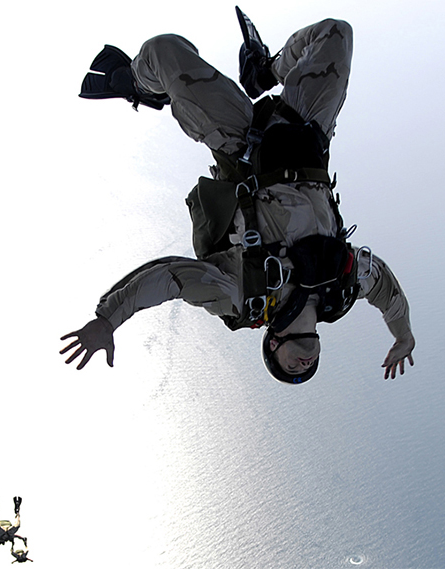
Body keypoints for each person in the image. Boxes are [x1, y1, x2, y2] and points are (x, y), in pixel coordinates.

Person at [62, 8, 415, 383]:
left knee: (163, 52)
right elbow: (384, 288)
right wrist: (403, 335)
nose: (302, 368)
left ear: (273, 344)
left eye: (289, 369)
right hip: (307, 136)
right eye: (307, 370)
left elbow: (169, 278)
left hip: (246, 146)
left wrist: (108, 319)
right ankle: (263, 71)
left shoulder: (243, 298)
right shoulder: (340, 292)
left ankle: (134, 83)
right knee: (335, 33)